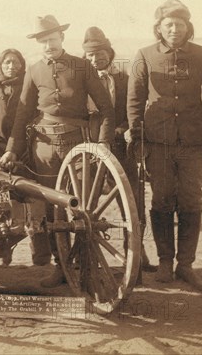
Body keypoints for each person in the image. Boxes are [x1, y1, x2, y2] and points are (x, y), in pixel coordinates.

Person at [0, 15, 115, 287]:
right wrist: (12, 150)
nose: (48, 45)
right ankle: (61, 267)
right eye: (43, 41)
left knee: (83, 208)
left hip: (78, 145)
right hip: (44, 149)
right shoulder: (34, 71)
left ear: (62, 38)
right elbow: (22, 114)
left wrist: (104, 142)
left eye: (52, 39)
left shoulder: (82, 66)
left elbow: (106, 109)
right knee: (53, 210)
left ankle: (86, 264)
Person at [127, 0, 202, 291]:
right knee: (162, 199)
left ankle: (186, 265)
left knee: (192, 200)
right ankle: (166, 261)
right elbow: (135, 100)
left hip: (194, 143)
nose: (174, 29)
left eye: (179, 24)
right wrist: (137, 138)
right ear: (158, 28)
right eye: (168, 24)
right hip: (159, 142)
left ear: (187, 27)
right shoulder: (144, 56)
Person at [81, 26, 157, 280]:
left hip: (120, 148)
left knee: (132, 201)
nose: (96, 59)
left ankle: (136, 250)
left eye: (100, 54)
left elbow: (132, 109)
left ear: (109, 54)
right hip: (89, 147)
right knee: (85, 203)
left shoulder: (124, 79)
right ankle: (84, 255)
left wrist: (124, 128)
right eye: (90, 55)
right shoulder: (81, 81)